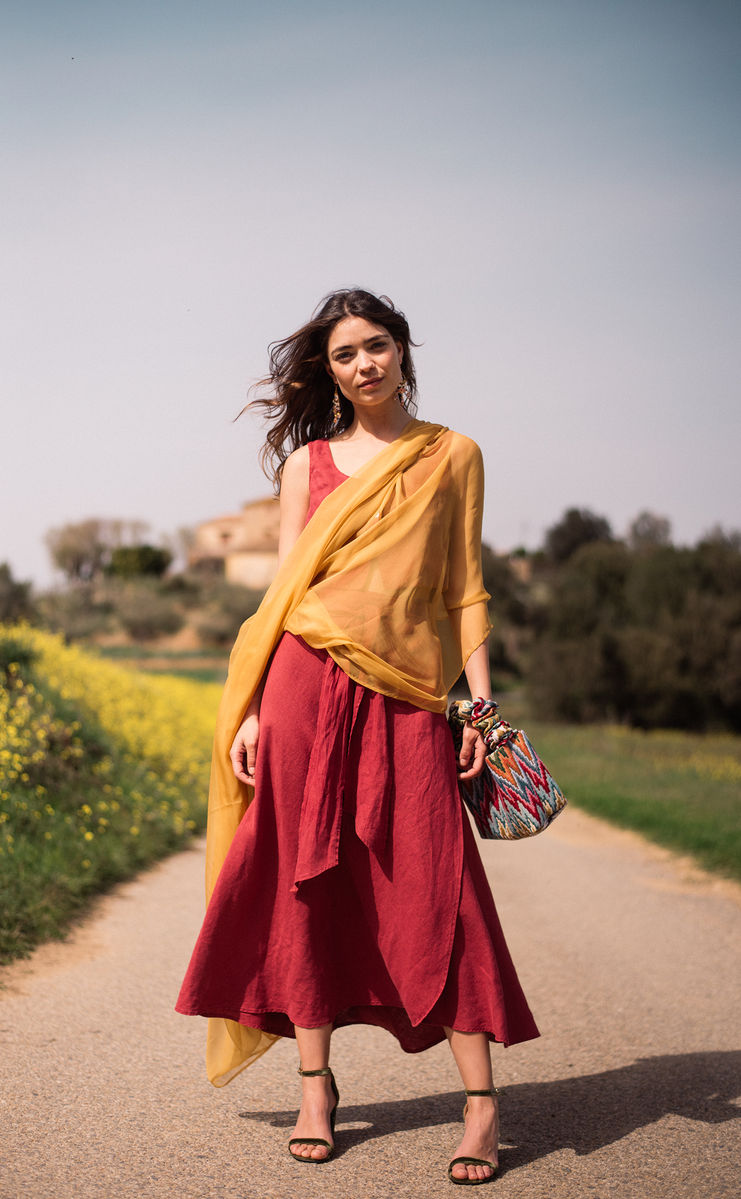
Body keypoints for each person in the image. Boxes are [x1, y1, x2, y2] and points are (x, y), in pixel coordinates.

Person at [176, 289, 539, 1185]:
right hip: (304, 684)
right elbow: (284, 593)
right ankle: (314, 1087)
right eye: (345, 355)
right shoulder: (310, 463)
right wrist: (256, 706)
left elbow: (465, 588)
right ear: (329, 371)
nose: (364, 364)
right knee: (307, 877)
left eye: (376, 346)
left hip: (410, 694)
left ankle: (483, 1107)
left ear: (403, 350)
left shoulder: (453, 454)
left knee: (436, 876)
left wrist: (479, 712)